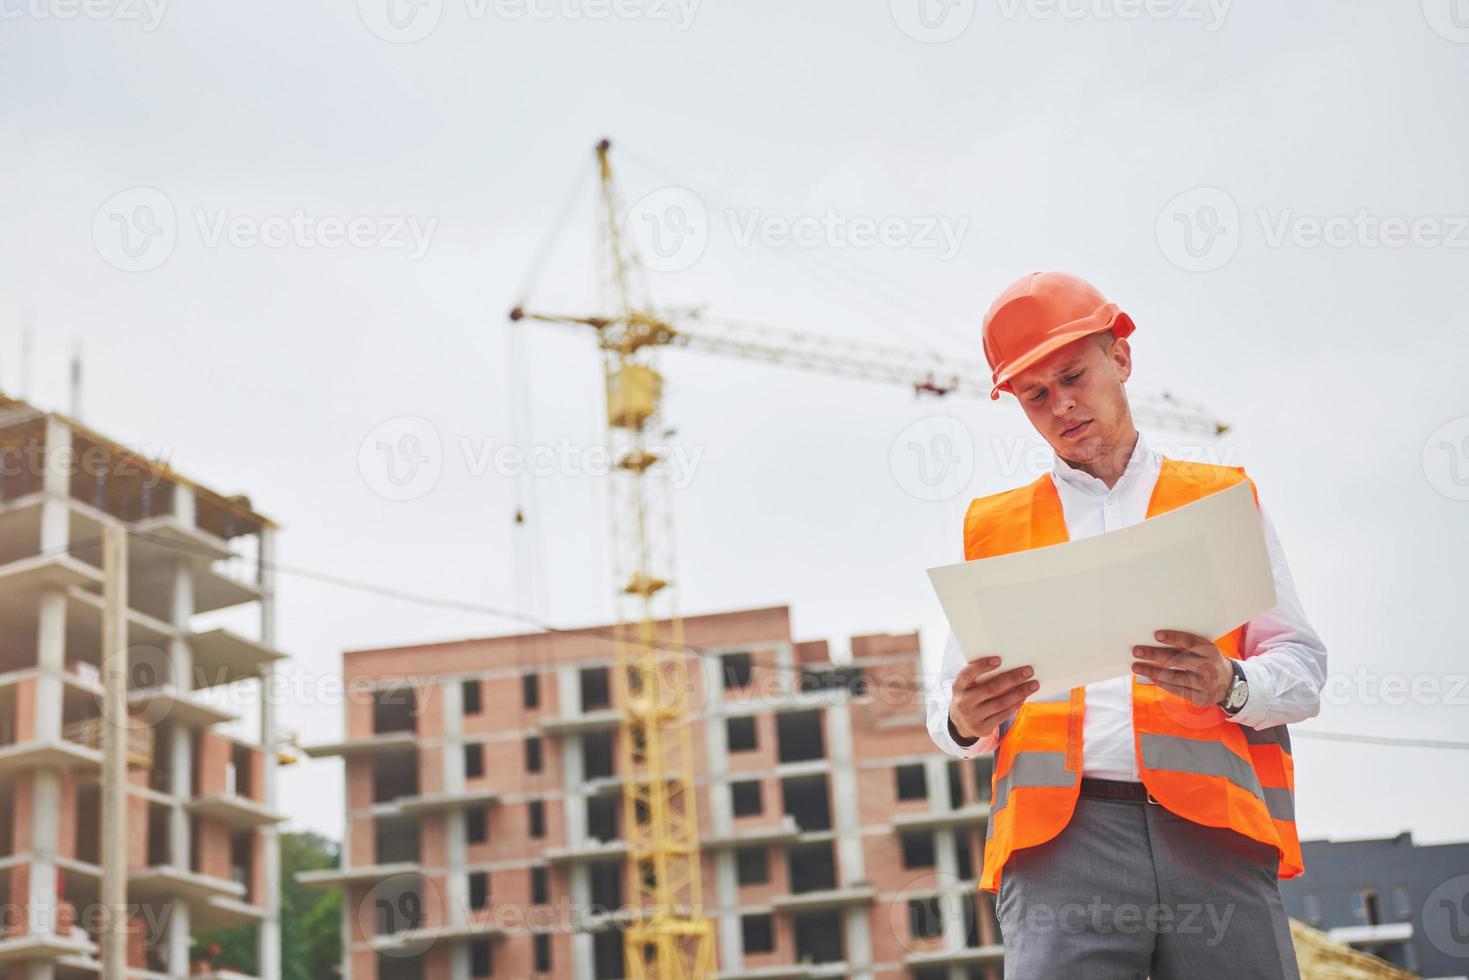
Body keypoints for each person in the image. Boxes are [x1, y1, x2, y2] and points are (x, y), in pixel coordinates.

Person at [926, 271, 1327, 979]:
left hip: (1212, 838)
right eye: (1034, 395)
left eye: (1072, 376)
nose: (1060, 405)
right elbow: (948, 715)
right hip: (1060, 847)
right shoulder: (996, 528)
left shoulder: (1218, 501)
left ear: (1121, 358)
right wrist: (963, 716)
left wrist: (1227, 683)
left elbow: (1300, 672)